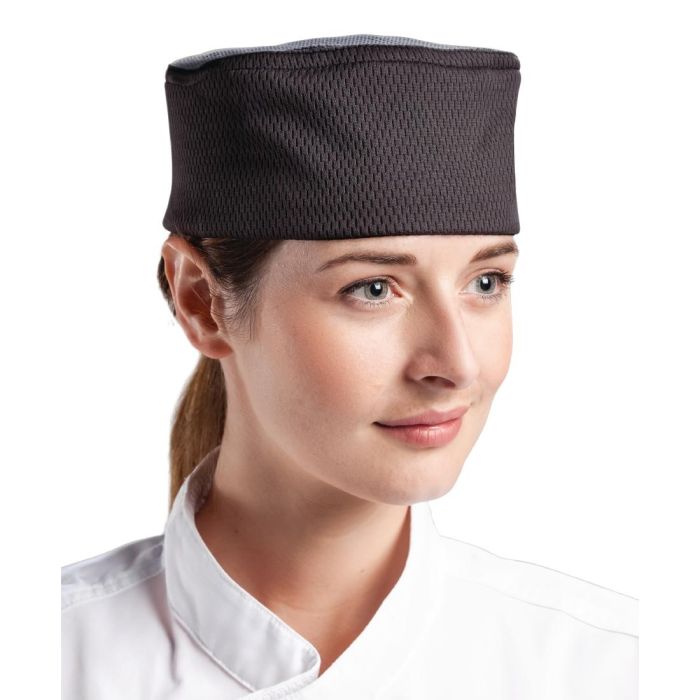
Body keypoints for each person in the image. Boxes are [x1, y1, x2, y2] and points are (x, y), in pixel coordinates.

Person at [61, 34, 638, 698]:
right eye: (373, 289)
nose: (457, 364)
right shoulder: (50, 660)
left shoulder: (609, 671)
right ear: (202, 301)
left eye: (486, 283)